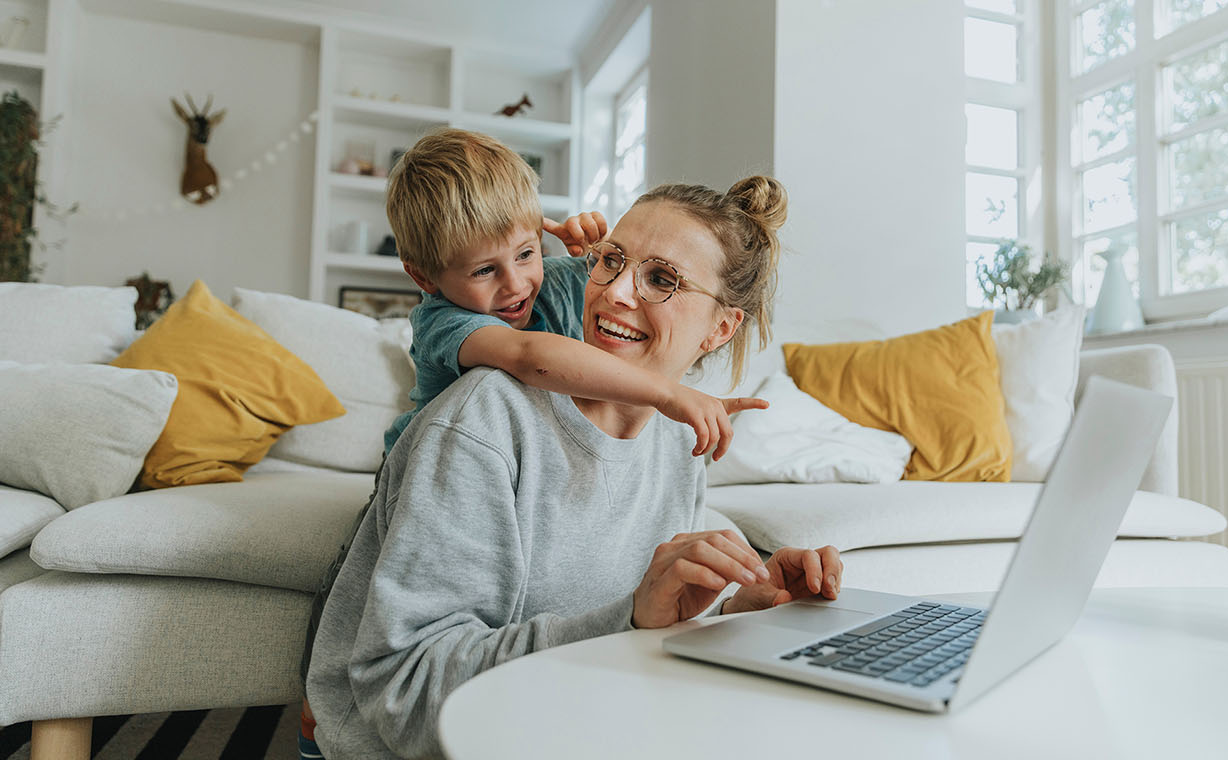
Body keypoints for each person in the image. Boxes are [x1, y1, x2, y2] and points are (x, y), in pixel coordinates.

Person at [305, 176, 844, 759]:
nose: (614, 293)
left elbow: (652, 620)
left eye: (661, 279)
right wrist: (629, 621)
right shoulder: (482, 419)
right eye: (611, 260)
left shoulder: (676, 442)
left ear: (721, 328)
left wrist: (742, 606)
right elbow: (402, 694)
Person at [383, 127, 764, 459]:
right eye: (484, 270)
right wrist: (665, 393)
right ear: (424, 278)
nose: (516, 284)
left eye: (526, 254)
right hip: (432, 471)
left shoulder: (555, 281)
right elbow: (528, 356)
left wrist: (599, 252)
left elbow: (621, 285)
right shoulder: (442, 320)